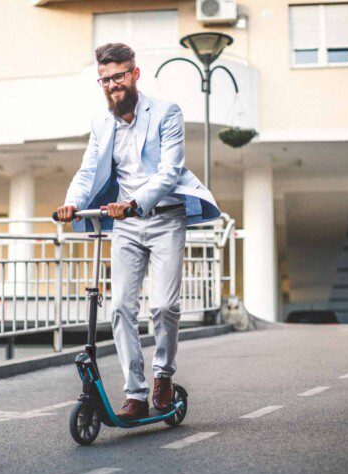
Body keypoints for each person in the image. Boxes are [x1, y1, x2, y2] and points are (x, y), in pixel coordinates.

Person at [55, 43, 221, 420]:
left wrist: (134, 203)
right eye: (105, 79)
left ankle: (162, 375)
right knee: (119, 308)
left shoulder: (166, 112)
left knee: (164, 306)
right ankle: (136, 392)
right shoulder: (101, 124)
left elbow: (170, 171)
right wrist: (71, 202)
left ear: (134, 74)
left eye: (118, 76)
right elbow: (86, 172)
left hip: (165, 218)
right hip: (126, 227)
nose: (113, 84)